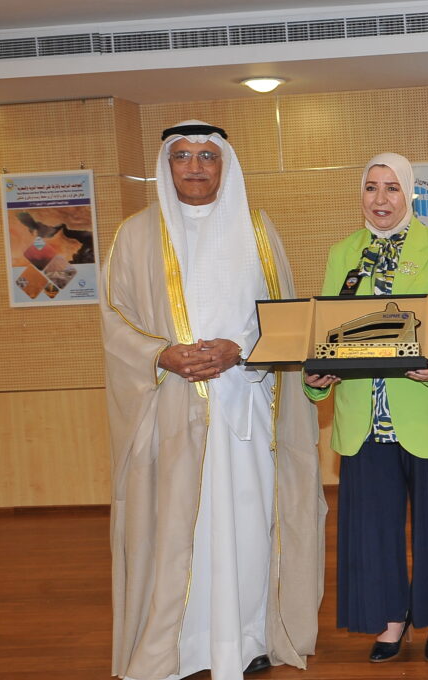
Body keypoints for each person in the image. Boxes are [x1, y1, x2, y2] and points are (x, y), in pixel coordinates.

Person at [101, 120, 326, 680]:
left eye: (207, 156)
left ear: (225, 164)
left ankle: (249, 639)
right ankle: (179, 646)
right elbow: (114, 321)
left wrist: (239, 348)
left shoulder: (257, 229)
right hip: (173, 410)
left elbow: (282, 316)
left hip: (246, 406)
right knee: (182, 529)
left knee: (250, 523)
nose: (195, 166)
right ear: (167, 165)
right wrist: (162, 354)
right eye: (183, 156)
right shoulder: (135, 235)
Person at [303, 152, 428, 663]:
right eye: (371, 188)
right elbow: (325, 333)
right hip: (364, 419)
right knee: (372, 528)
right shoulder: (342, 253)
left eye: (392, 188)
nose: (380, 199)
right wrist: (316, 380)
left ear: (409, 195)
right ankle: (389, 620)